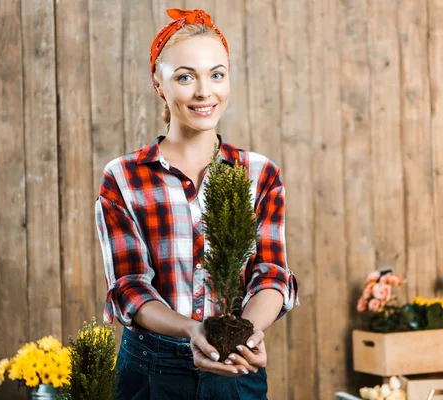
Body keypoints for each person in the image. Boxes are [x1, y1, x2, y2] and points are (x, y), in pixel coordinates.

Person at [94, 8, 298, 400]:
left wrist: (247, 335)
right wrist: (193, 330)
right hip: (151, 372)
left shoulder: (259, 173)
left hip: (236, 366)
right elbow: (130, 288)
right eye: (185, 77)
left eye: (216, 74)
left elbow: (271, 273)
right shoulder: (124, 177)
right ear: (159, 84)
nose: (205, 91)